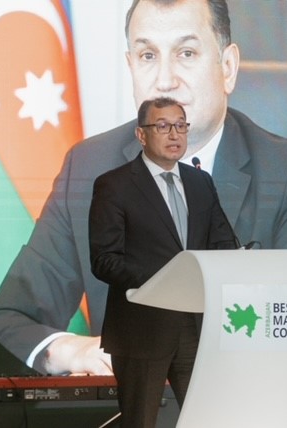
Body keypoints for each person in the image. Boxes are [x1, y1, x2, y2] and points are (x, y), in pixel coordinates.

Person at [0, 0, 287, 376]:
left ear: (228, 68)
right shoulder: (88, 168)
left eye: (186, 53)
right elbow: (6, 321)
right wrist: (70, 352)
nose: (165, 80)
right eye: (148, 55)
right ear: (131, 66)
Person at [90, 97, 234, 427]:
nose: (174, 134)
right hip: (142, 330)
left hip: (196, 328)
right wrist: (167, 280)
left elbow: (223, 242)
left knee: (208, 419)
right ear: (141, 135)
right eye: (163, 126)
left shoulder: (200, 182)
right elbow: (104, 260)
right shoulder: (115, 185)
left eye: (181, 125)